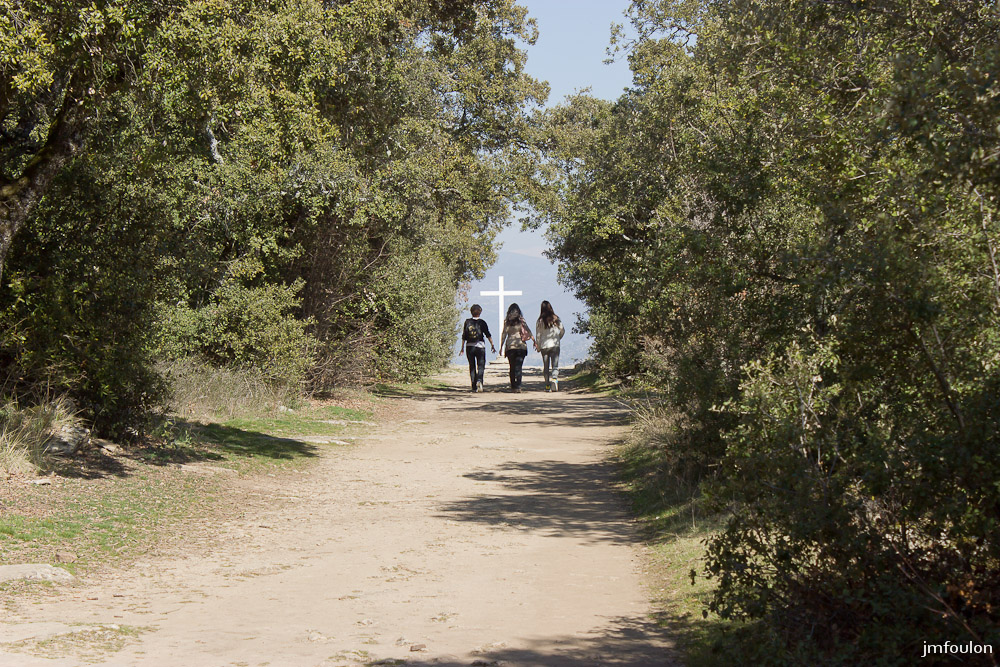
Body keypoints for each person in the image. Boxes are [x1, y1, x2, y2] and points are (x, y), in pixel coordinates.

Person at [458, 304, 496, 392]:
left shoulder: (467, 322)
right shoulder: (482, 322)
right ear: (480, 312)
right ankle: (480, 381)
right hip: (480, 346)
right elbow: (488, 334)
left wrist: (462, 348)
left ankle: (473, 385)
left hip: (469, 346)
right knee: (481, 365)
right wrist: (492, 345)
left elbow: (464, 336)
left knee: (472, 365)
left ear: (471, 312)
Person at [499, 302, 533, 392]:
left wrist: (501, 346)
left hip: (510, 347)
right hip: (521, 346)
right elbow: (528, 331)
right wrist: (534, 341)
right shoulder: (522, 321)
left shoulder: (506, 322)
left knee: (512, 367)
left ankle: (513, 386)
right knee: (519, 367)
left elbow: (504, 334)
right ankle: (518, 386)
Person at [534, 300, 566, 392]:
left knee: (546, 366)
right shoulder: (556, 318)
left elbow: (538, 335)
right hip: (555, 344)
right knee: (555, 365)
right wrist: (558, 338)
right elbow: (563, 330)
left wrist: (538, 346)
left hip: (544, 346)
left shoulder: (539, 321)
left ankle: (547, 385)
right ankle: (555, 379)